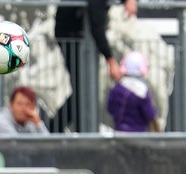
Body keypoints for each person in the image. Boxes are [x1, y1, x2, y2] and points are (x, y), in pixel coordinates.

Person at [54, 0, 137, 130]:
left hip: (78, 36)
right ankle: (54, 129)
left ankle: (54, 129)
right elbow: (97, 27)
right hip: (72, 37)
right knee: (81, 91)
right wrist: (111, 60)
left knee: (82, 90)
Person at [107, 51, 158, 133]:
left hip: (119, 133)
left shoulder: (117, 87)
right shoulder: (143, 91)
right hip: (138, 135)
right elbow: (150, 114)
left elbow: (110, 108)